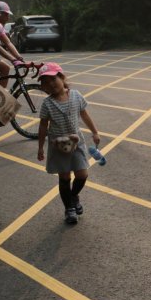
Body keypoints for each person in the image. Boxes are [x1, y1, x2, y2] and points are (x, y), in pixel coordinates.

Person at [36, 63, 101, 225]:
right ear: (43, 87)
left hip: (76, 141)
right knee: (64, 177)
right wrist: (40, 147)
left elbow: (84, 114)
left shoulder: (76, 95)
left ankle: (73, 196)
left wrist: (95, 132)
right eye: (45, 82)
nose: (51, 84)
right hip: (58, 144)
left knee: (82, 175)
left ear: (62, 77)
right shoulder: (47, 104)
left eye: (53, 79)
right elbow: (43, 126)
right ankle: (69, 208)